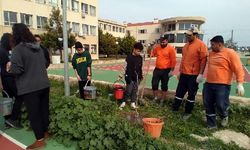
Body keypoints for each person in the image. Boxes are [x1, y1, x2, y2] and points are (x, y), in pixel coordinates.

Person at [8, 23, 50, 150]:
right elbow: (44, 63)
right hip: (44, 84)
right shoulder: (38, 47)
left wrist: (10, 68)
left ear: (15, 35)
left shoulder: (18, 49)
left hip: (30, 87)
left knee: (34, 114)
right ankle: (46, 132)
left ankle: (40, 140)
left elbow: (17, 70)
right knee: (44, 110)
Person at [203, 35, 245, 129]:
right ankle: (211, 124)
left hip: (223, 84)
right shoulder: (211, 53)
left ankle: (224, 115)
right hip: (209, 83)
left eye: (213, 45)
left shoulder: (230, 53)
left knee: (220, 104)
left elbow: (238, 68)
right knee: (207, 103)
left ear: (220, 44)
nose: (211, 46)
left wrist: (240, 83)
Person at [172, 27, 208, 120]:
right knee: (179, 93)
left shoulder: (201, 45)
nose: (187, 36)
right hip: (184, 74)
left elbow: (203, 61)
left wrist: (200, 74)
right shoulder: (186, 46)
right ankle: (175, 109)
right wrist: (180, 72)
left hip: (193, 75)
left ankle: (188, 112)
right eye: (186, 35)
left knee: (191, 94)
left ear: (195, 35)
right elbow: (183, 61)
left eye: (189, 35)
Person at [0, 33, 23, 129]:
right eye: (11, 41)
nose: (12, 44)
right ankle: (12, 119)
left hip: (8, 78)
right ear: (7, 41)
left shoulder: (5, 51)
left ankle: (7, 121)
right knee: (19, 96)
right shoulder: (1, 51)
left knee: (8, 99)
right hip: (7, 79)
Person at [151, 36, 176, 106]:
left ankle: (162, 100)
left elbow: (173, 60)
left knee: (164, 86)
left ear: (167, 41)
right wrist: (152, 50)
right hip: (157, 69)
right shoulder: (158, 47)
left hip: (166, 70)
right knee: (154, 84)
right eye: (161, 42)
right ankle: (155, 98)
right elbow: (153, 54)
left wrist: (172, 70)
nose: (162, 43)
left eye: (164, 42)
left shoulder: (171, 49)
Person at [119, 42, 144, 109]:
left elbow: (141, 67)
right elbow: (125, 66)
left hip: (137, 77)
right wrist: (121, 74)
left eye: (140, 51)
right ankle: (123, 102)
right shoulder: (129, 57)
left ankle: (133, 103)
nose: (139, 53)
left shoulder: (140, 58)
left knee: (135, 90)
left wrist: (142, 75)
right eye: (138, 51)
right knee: (128, 90)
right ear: (134, 49)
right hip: (129, 77)